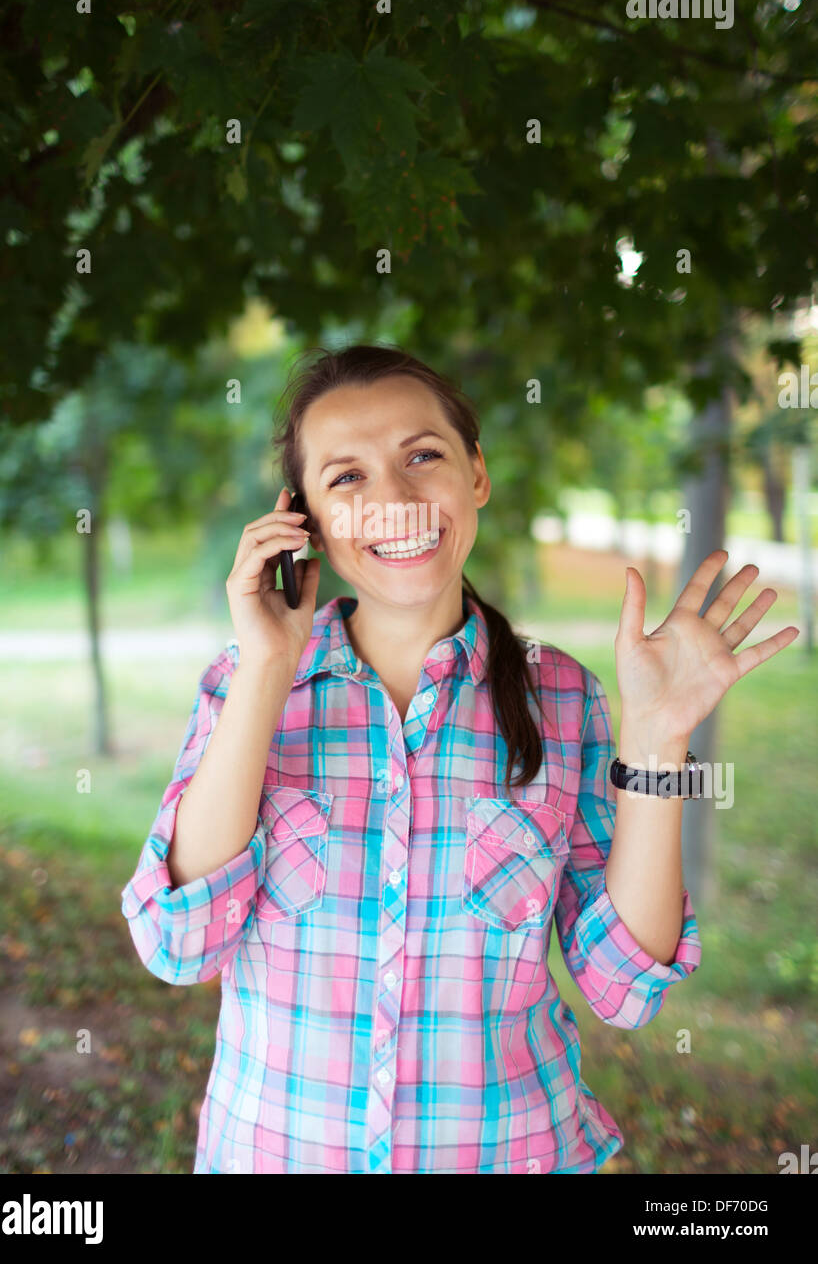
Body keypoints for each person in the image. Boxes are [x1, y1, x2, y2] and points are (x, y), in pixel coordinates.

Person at [121, 344, 797, 1174]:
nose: (394, 498)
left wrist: (657, 738)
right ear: (304, 523)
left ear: (475, 474)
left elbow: (624, 989)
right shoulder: (246, 684)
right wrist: (267, 665)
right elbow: (176, 942)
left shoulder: (560, 699)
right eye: (347, 479)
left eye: (423, 457)